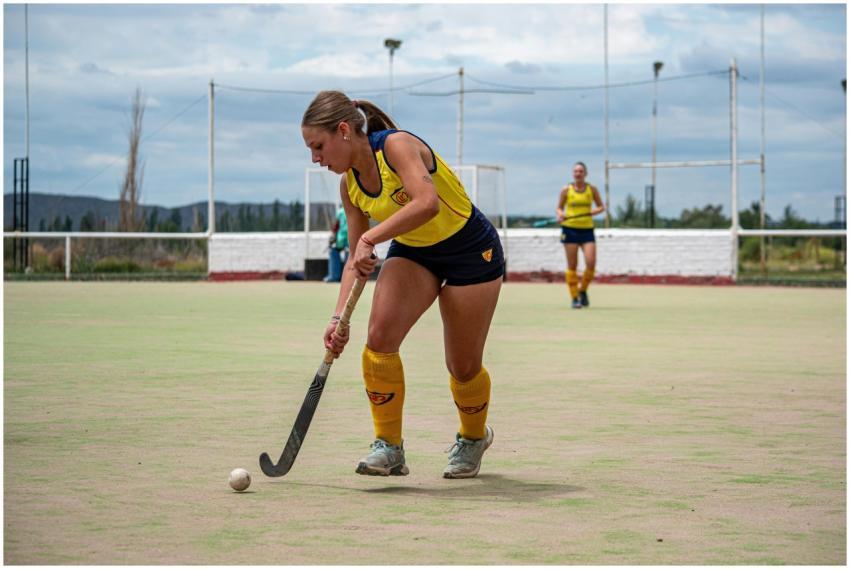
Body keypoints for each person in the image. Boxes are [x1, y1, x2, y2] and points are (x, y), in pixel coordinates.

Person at [302, 90, 504, 479]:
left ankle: (474, 437)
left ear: (343, 131)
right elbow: (355, 260)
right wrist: (337, 318)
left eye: (318, 146)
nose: (316, 158)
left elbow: (426, 202)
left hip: (470, 250)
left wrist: (370, 240)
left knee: (462, 366)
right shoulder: (350, 186)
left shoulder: (395, 145)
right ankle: (389, 446)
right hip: (415, 252)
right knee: (378, 339)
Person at [556, 162, 605, 309]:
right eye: (576, 171)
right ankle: (574, 297)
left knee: (591, 263)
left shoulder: (592, 189)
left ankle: (582, 290)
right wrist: (560, 215)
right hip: (570, 229)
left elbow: (601, 207)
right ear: (573, 174)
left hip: (587, 230)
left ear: (585, 173)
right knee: (572, 265)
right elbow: (559, 208)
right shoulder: (566, 190)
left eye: (581, 171)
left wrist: (592, 212)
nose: (578, 173)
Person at [324, 205, 349, 283]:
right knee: (335, 251)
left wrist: (333, 236)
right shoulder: (342, 212)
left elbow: (336, 226)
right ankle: (348, 277)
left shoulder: (340, 212)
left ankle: (334, 276)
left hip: (344, 239)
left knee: (336, 252)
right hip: (346, 239)